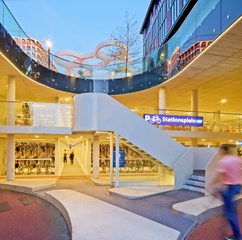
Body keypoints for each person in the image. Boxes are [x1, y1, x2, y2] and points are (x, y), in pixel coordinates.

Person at [212, 144, 242, 240]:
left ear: (223, 151)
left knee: (230, 213)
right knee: (229, 207)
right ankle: (229, 211)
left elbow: (219, 176)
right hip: (238, 186)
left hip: (230, 187)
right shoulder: (237, 159)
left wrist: (211, 186)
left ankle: (237, 236)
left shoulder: (224, 161)